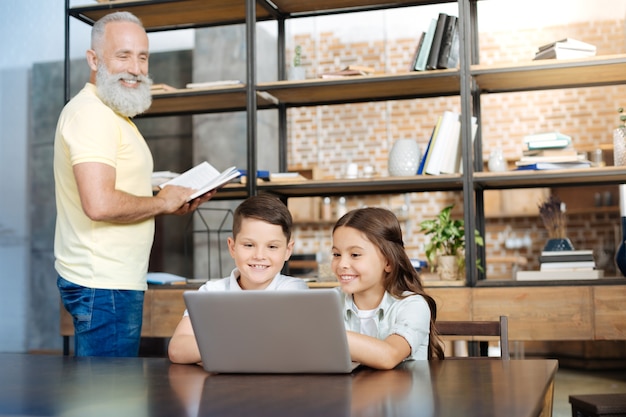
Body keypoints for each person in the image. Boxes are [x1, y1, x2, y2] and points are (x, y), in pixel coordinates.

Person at [54, 11, 215, 357]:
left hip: (112, 283)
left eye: (142, 57)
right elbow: (98, 203)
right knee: (107, 399)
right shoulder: (92, 115)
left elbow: (113, 192)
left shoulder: (113, 115)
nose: (136, 68)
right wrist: (161, 202)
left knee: (109, 396)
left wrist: (167, 200)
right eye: (123, 55)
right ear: (94, 60)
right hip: (103, 285)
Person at [168, 194, 309, 364]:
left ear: (288, 250)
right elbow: (177, 349)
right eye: (249, 245)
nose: (259, 256)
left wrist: (216, 344)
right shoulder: (211, 292)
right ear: (232, 247)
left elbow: (289, 349)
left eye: (272, 247)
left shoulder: (294, 291)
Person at [331, 207, 444, 369]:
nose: (342, 264)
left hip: (400, 394)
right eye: (336, 254)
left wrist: (322, 336)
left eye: (355, 255)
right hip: (345, 393)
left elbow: (389, 355)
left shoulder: (413, 305)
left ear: (388, 262)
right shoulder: (330, 301)